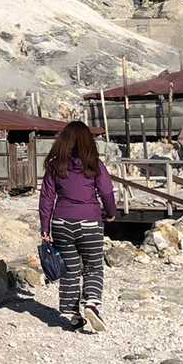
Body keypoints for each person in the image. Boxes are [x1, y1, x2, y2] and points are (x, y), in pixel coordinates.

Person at [38, 120, 116, 333]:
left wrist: (45, 228)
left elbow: (46, 199)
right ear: (87, 141)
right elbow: (106, 192)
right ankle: (91, 303)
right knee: (93, 266)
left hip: (61, 223)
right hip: (89, 221)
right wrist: (111, 212)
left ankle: (73, 315)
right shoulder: (94, 164)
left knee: (70, 269)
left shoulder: (55, 165)